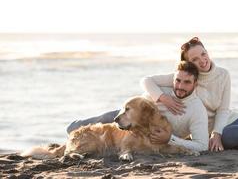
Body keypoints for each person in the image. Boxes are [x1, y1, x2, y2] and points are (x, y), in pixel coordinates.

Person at [140, 37, 238, 151]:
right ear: (188, 63)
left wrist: (218, 134)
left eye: (203, 54)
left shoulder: (223, 74)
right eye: (194, 59)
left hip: (228, 118)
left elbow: (223, 110)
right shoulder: (185, 79)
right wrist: (163, 98)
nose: (202, 60)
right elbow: (146, 81)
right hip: (205, 129)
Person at [67, 61, 209, 152]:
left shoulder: (197, 110)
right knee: (77, 129)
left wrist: (169, 139)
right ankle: (73, 129)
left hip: (143, 130)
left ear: (195, 84)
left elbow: (202, 146)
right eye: (177, 80)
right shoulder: (166, 88)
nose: (180, 86)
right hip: (128, 112)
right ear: (173, 79)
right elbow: (145, 80)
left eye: (187, 82)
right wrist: (163, 98)